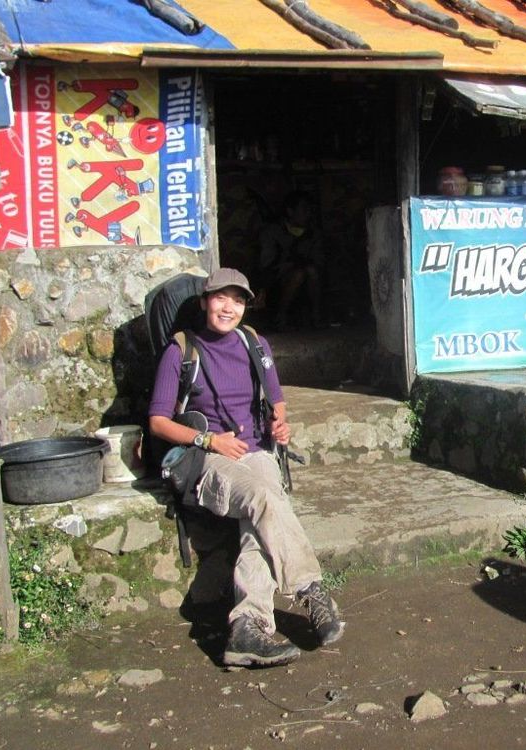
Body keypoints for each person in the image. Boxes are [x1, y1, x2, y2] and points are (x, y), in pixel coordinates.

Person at [148, 268, 344, 668]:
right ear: (205, 301)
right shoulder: (182, 350)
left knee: (261, 524)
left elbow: (277, 398)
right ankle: (310, 589)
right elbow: (157, 421)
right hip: (210, 459)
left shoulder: (254, 343)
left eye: (238, 301)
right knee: (263, 498)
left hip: (257, 453)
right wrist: (209, 440)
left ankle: (247, 629)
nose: (229, 307)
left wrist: (281, 424)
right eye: (221, 298)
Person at [257, 190, 326, 330]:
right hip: (277, 283)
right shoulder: (272, 232)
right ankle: (280, 317)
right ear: (290, 211)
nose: (308, 214)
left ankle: (316, 317)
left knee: (310, 271)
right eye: (304, 210)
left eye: (310, 210)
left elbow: (319, 261)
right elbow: (266, 263)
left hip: (308, 284)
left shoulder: (313, 234)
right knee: (298, 274)